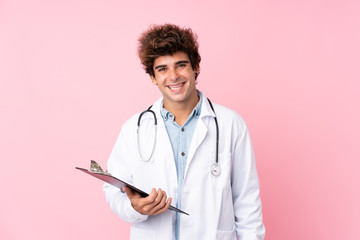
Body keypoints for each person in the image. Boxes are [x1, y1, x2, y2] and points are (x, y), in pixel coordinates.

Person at [103, 23, 265, 240]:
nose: (173, 76)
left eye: (181, 65)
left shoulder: (230, 124)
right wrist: (136, 208)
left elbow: (247, 203)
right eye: (162, 69)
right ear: (152, 77)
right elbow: (114, 190)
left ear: (195, 67)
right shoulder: (134, 128)